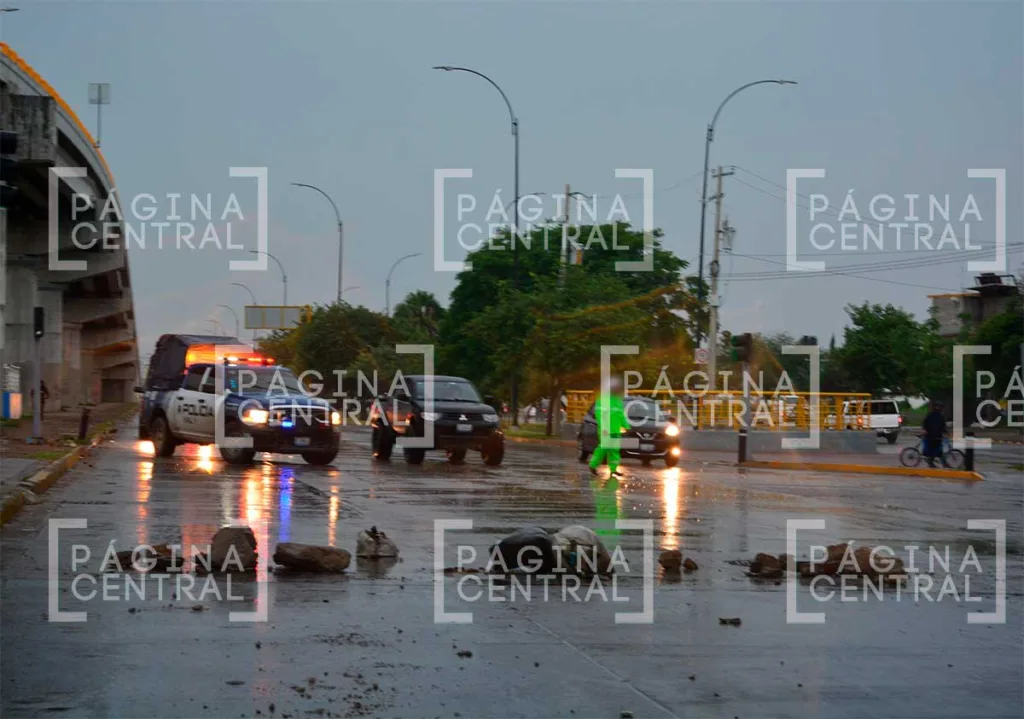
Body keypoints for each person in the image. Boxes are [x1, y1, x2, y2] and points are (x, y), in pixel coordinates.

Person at [589, 375, 625, 477]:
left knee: (614, 450)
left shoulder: (617, 402)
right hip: (605, 430)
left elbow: (621, 415)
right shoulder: (602, 401)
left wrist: (626, 425)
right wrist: (603, 426)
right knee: (603, 448)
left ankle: (613, 470)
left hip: (615, 430)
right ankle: (593, 465)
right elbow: (599, 415)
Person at [921, 400, 948, 468]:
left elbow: (925, 423)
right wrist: (946, 432)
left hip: (933, 435)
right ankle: (932, 462)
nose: (940, 408)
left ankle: (942, 463)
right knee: (936, 450)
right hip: (933, 435)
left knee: (936, 450)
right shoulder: (937, 415)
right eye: (939, 407)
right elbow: (942, 426)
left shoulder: (933, 415)